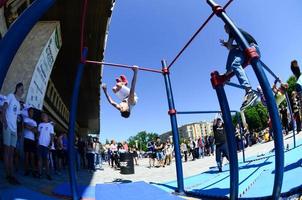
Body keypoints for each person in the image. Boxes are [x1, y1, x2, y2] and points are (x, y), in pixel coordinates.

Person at [220, 24, 258, 110]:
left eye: (225, 29)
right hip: (246, 48)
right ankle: (228, 72)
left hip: (252, 48)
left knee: (235, 64)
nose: (225, 31)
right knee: (233, 51)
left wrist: (227, 44)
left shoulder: (233, 30)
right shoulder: (239, 35)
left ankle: (249, 91)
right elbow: (233, 47)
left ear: (228, 27)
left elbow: (229, 46)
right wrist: (228, 45)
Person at [2, 82, 24, 184]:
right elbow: (4, 108)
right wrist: (4, 122)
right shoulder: (10, 96)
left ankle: (11, 175)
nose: (23, 91)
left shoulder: (19, 103)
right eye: (22, 89)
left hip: (14, 130)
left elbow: (17, 117)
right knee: (6, 151)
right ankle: (7, 174)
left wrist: (19, 129)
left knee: (12, 152)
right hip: (7, 127)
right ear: (18, 88)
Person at [37, 112, 54, 180]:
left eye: (44, 115)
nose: (43, 116)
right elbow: (38, 134)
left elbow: (52, 136)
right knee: (39, 159)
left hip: (46, 146)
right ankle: (39, 173)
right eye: (42, 116)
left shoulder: (50, 126)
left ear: (47, 117)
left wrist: (50, 144)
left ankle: (48, 174)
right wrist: (37, 142)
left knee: (46, 160)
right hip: (40, 145)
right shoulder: (40, 124)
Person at [23, 107, 38, 176]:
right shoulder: (26, 119)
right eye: (30, 111)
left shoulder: (35, 122)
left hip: (32, 140)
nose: (31, 113)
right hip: (26, 138)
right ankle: (27, 170)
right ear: (28, 112)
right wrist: (32, 128)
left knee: (32, 156)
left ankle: (33, 170)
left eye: (32, 112)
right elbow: (26, 126)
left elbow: (35, 131)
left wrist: (30, 127)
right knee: (26, 155)